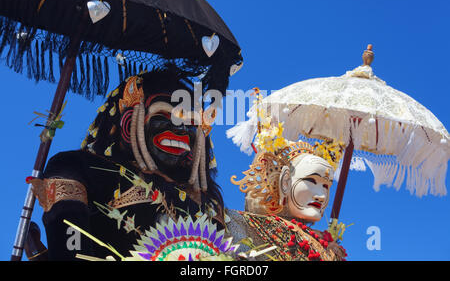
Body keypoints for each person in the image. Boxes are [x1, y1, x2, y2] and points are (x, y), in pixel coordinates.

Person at [28, 69, 224, 260]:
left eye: (190, 123)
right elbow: (71, 250)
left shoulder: (207, 204)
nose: (181, 129)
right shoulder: (77, 167)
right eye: (165, 116)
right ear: (129, 122)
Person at [226, 140, 348, 261]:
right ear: (285, 182)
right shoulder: (239, 223)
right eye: (311, 181)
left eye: (326, 186)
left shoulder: (327, 246)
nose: (321, 196)